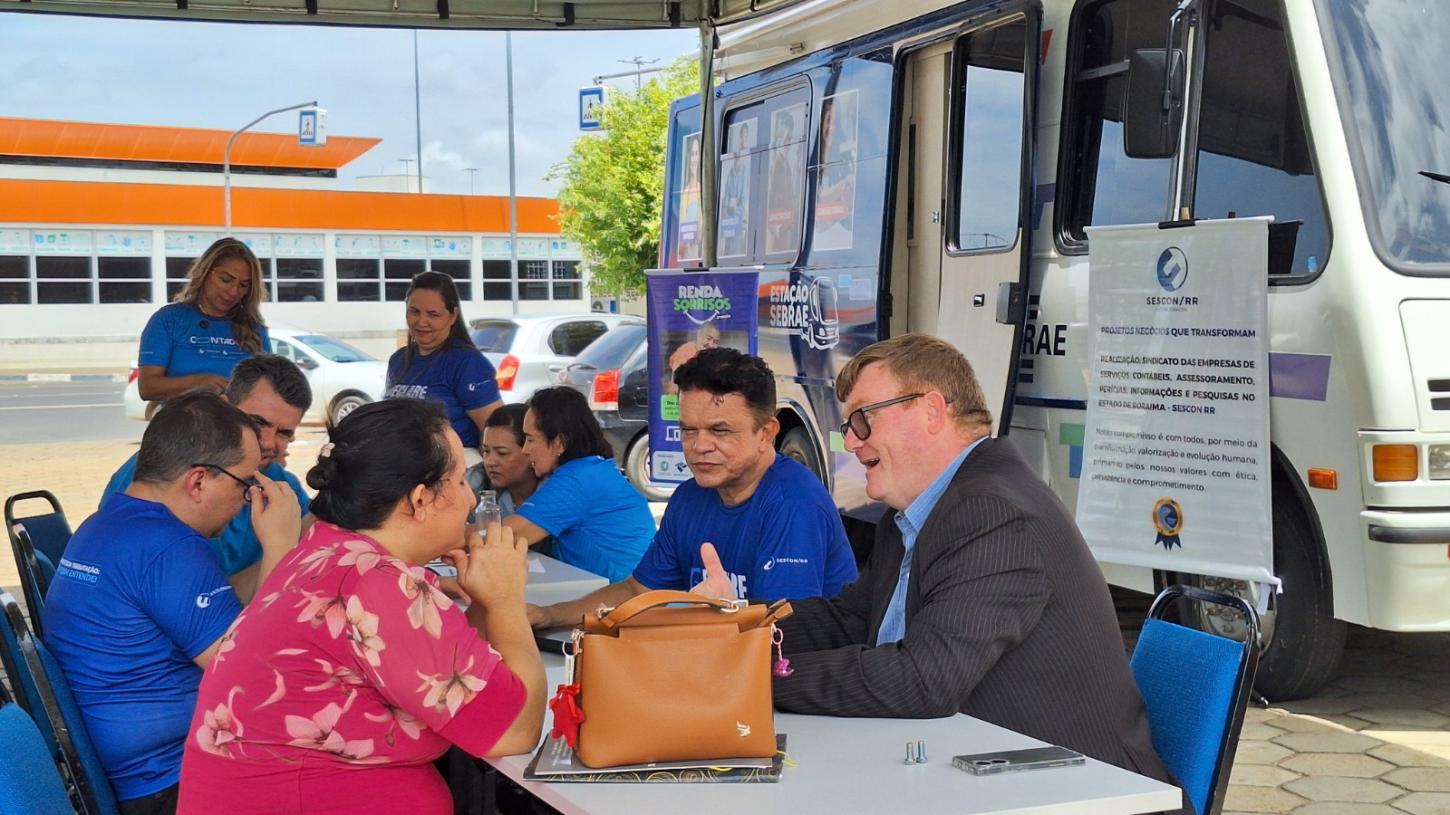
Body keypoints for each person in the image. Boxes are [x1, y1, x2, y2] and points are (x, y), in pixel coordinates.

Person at [760, 334, 1183, 807]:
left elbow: (922, 680)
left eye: (863, 419)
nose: (852, 441)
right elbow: (851, 620)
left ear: (932, 411)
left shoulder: (992, 510)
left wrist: (753, 680)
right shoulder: (921, 512)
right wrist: (730, 633)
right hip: (982, 773)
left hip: (1081, 792)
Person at [175, 400, 544, 815]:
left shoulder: (325, 550)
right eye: (460, 482)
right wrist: (507, 601)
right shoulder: (374, 581)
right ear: (420, 500)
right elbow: (515, 729)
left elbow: (462, 684)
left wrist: (483, 601)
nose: (471, 502)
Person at [44, 392, 302, 815]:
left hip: (125, 761)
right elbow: (252, 677)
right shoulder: (169, 548)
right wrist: (280, 547)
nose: (246, 501)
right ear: (199, 481)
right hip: (167, 781)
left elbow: (207, 611)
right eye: (245, 483)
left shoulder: (112, 522)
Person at [527, 349, 858, 629]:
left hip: (793, 690)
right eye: (688, 429)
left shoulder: (794, 502)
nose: (700, 446)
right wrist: (549, 614)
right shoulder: (689, 496)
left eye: (720, 430)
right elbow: (636, 592)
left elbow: (779, 632)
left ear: (767, 433)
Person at [101, 354, 313, 601]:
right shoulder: (162, 474)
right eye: (257, 422)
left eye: (284, 433)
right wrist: (284, 547)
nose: (267, 441)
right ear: (223, 406)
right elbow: (202, 605)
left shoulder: (279, 482)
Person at [504, 387, 655, 582]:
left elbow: (507, 536)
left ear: (559, 443)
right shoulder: (591, 470)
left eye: (530, 439)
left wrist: (453, 537)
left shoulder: (577, 480)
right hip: (626, 593)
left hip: (627, 602)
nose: (525, 450)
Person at [385, 271, 502, 490]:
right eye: (414, 312)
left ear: (452, 316)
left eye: (433, 314)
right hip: (403, 473)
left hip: (453, 475)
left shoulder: (467, 362)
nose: (422, 322)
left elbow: (495, 430)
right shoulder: (398, 360)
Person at [137, 237, 271, 402]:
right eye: (226, 280)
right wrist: (198, 383)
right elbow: (147, 388)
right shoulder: (168, 319)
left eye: (243, 285)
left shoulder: (255, 330)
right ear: (205, 273)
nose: (233, 292)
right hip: (182, 425)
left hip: (238, 425)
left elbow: (269, 391)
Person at [481, 403, 540, 519]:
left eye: (502, 453)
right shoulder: (475, 485)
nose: (490, 462)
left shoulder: (557, 491)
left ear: (530, 449)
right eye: (486, 451)